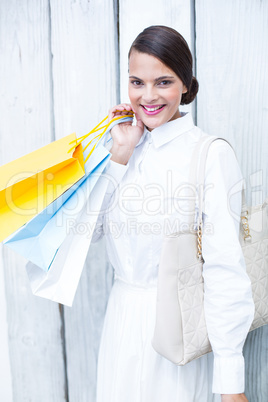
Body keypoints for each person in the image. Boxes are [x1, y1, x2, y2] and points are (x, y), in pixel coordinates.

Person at [92, 26, 254, 402]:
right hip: (119, 327)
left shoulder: (210, 154)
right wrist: (119, 156)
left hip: (175, 335)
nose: (148, 96)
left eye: (163, 82)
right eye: (137, 82)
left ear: (185, 84)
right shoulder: (117, 146)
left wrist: (231, 382)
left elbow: (225, 268)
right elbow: (91, 231)